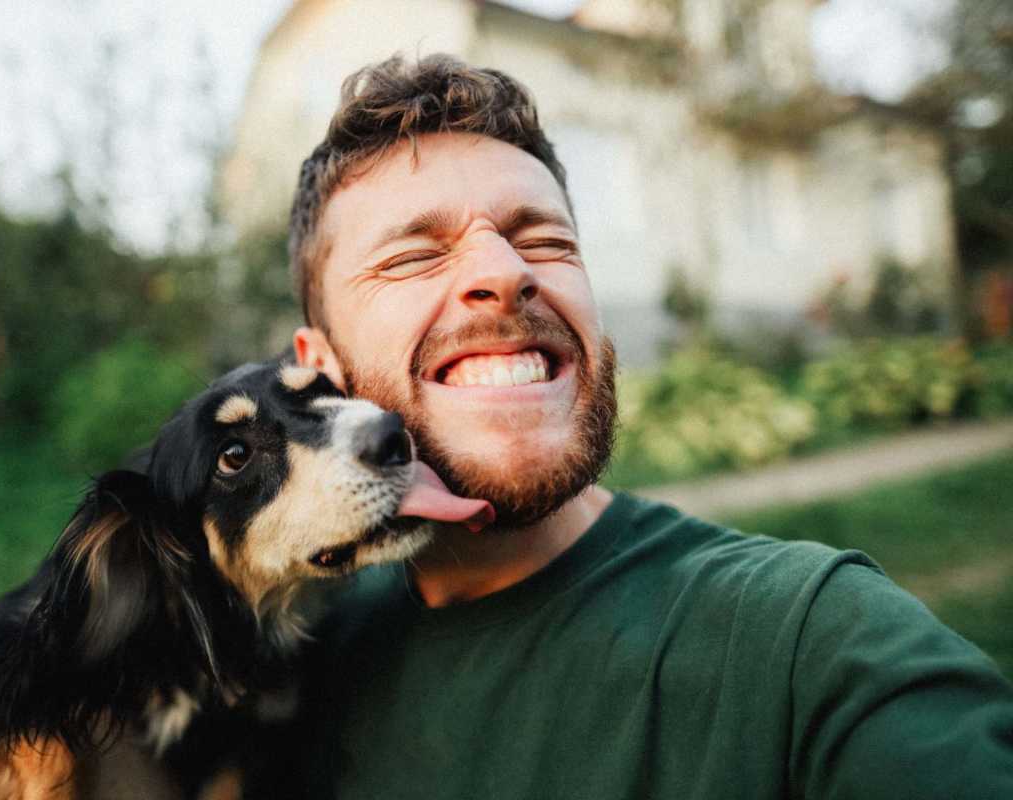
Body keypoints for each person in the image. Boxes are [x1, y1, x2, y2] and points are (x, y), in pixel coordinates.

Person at [285, 53, 1013, 799]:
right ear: (320, 371)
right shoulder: (288, 662)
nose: (506, 272)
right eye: (413, 255)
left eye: (545, 241)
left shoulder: (808, 645)